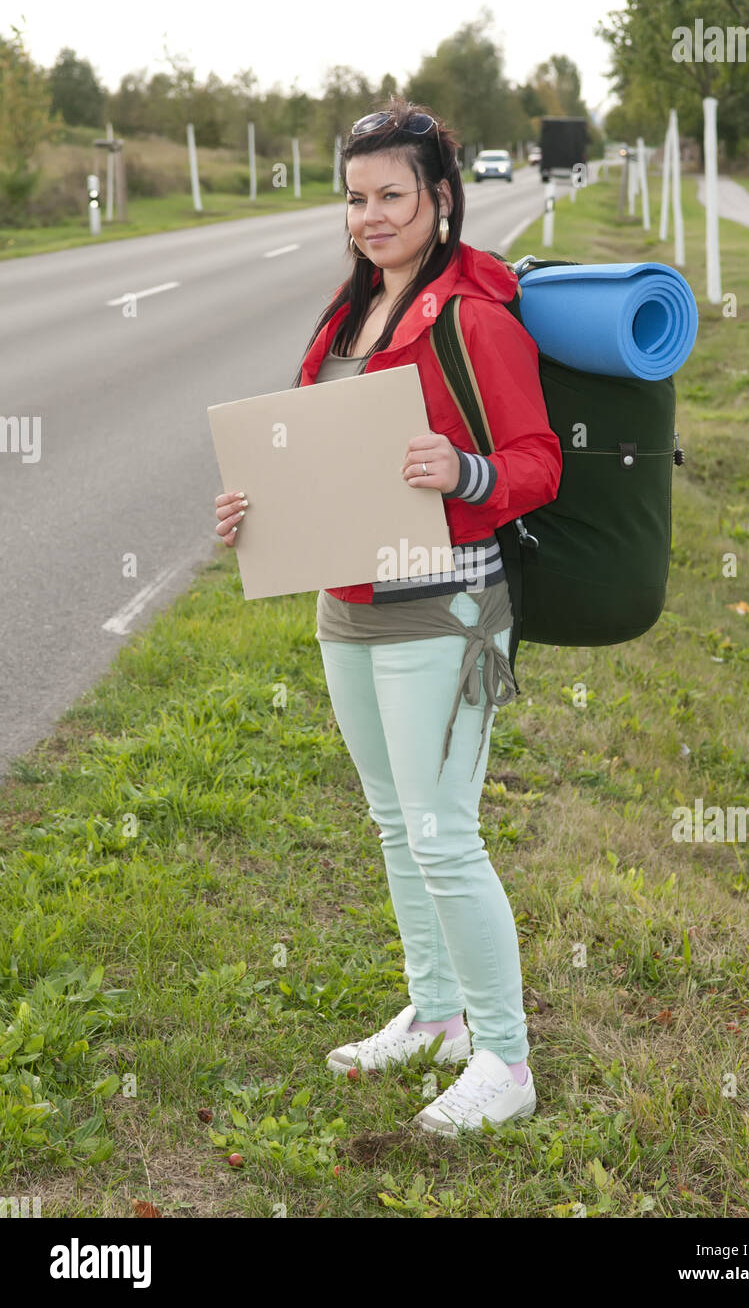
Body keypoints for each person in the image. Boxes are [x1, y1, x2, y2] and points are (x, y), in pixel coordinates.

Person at [214, 96, 562, 1137]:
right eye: (355, 198)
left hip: (448, 607)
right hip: (348, 608)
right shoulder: (346, 313)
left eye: (392, 195)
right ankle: (438, 1016)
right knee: (390, 825)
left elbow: (535, 462)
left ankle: (504, 1056)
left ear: (440, 199)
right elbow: (310, 451)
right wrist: (249, 509)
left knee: (442, 835)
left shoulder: (472, 317)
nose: (370, 216)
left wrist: (463, 468)